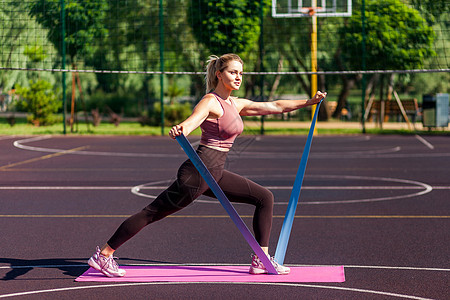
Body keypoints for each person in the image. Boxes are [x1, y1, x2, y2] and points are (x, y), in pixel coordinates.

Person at [88, 53, 327, 277]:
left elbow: (275, 106)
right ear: (219, 75)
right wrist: (183, 128)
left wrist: (310, 102)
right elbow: (194, 119)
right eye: (233, 72)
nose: (238, 77)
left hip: (215, 174)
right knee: (152, 213)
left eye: (241, 73)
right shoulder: (211, 102)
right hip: (197, 174)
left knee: (264, 197)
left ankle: (261, 259)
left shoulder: (236, 104)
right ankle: (104, 255)